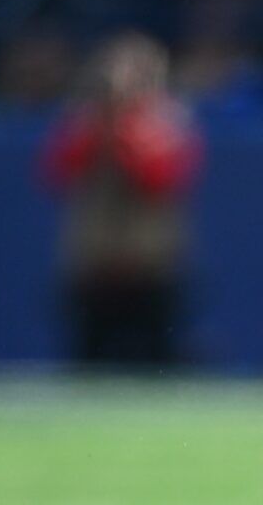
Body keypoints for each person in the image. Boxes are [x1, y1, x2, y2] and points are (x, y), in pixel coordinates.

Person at [40, 32, 202, 368]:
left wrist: (124, 129)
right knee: (88, 364)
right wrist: (99, 124)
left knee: (157, 365)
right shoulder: (84, 120)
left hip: (150, 268)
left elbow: (159, 177)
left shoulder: (168, 121)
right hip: (94, 265)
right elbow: (58, 172)